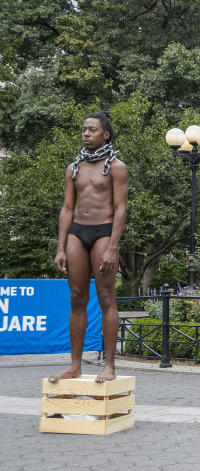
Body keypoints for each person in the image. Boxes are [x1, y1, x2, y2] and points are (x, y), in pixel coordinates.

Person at [49, 111, 128, 384]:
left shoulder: (116, 167)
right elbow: (67, 208)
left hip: (103, 231)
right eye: (83, 129)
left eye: (92, 129)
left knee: (106, 297)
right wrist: (61, 247)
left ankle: (109, 365)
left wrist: (113, 247)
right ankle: (74, 365)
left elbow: (121, 209)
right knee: (76, 298)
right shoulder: (74, 169)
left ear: (105, 134)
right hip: (77, 232)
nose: (85, 133)